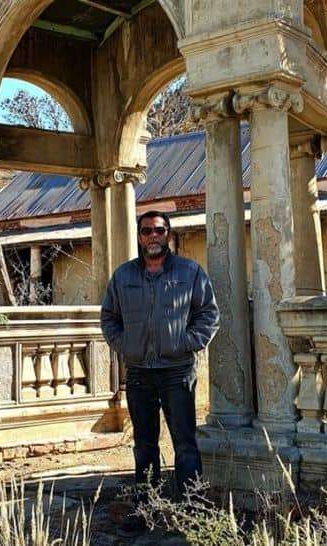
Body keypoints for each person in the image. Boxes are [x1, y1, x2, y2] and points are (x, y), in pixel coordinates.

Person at [100, 209, 220, 538]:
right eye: (146, 231)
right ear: (139, 237)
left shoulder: (189, 272)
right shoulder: (123, 276)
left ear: (168, 234)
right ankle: (146, 510)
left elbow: (208, 313)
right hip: (139, 373)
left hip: (177, 371)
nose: (153, 236)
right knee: (145, 445)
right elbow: (108, 315)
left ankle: (193, 513)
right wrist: (124, 344)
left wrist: (188, 343)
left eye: (159, 230)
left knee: (185, 444)